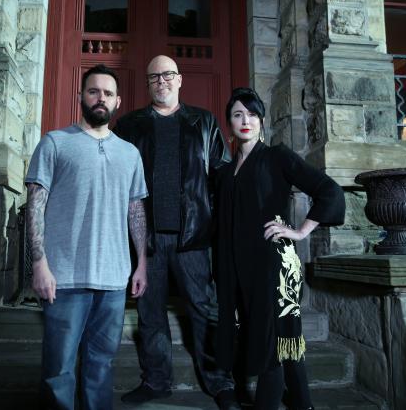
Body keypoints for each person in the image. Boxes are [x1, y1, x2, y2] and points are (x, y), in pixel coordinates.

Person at [113, 55, 238, 409]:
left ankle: (220, 382)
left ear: (180, 80)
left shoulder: (204, 121)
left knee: (203, 309)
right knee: (150, 313)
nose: (162, 81)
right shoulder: (130, 126)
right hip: (146, 239)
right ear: (148, 84)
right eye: (155, 77)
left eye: (168, 75)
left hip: (193, 238)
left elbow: (221, 177)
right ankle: (156, 381)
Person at [25, 64, 149, 410]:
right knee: (58, 371)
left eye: (108, 93)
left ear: (118, 102)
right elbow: (35, 205)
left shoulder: (129, 153)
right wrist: (39, 263)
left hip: (113, 280)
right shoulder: (55, 143)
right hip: (63, 278)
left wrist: (141, 264)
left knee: (101, 367)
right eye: (93, 91)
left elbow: (135, 211)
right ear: (81, 96)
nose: (100, 98)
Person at [214, 88, 345, 410]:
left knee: (272, 339)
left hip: (276, 265)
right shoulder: (224, 172)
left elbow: (329, 191)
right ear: (228, 122)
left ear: (262, 120)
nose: (246, 121)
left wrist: (300, 231)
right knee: (283, 339)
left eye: (253, 114)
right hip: (242, 267)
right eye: (238, 114)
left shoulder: (277, 156)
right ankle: (302, 403)